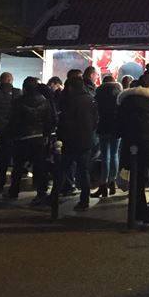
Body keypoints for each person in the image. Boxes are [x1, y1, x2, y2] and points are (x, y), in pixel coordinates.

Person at [119, 65, 149, 226]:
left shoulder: (125, 100)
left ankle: (139, 212)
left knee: (138, 180)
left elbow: (119, 124)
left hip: (132, 147)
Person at [6, 77, 54, 204]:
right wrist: (46, 135)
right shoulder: (45, 102)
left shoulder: (18, 102)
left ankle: (14, 191)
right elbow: (49, 121)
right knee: (40, 166)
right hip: (39, 137)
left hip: (21, 137)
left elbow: (14, 120)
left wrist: (12, 134)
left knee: (18, 166)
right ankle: (41, 192)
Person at [57, 74, 98, 210]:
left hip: (71, 140)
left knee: (62, 169)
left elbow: (64, 122)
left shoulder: (70, 101)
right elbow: (95, 120)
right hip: (86, 140)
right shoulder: (90, 100)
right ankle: (84, 200)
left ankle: (54, 197)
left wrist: (60, 137)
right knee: (83, 171)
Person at [93, 74, 122, 199]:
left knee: (105, 156)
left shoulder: (99, 94)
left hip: (103, 126)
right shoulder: (119, 94)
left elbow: (95, 112)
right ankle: (112, 181)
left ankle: (103, 184)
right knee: (115, 154)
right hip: (116, 127)